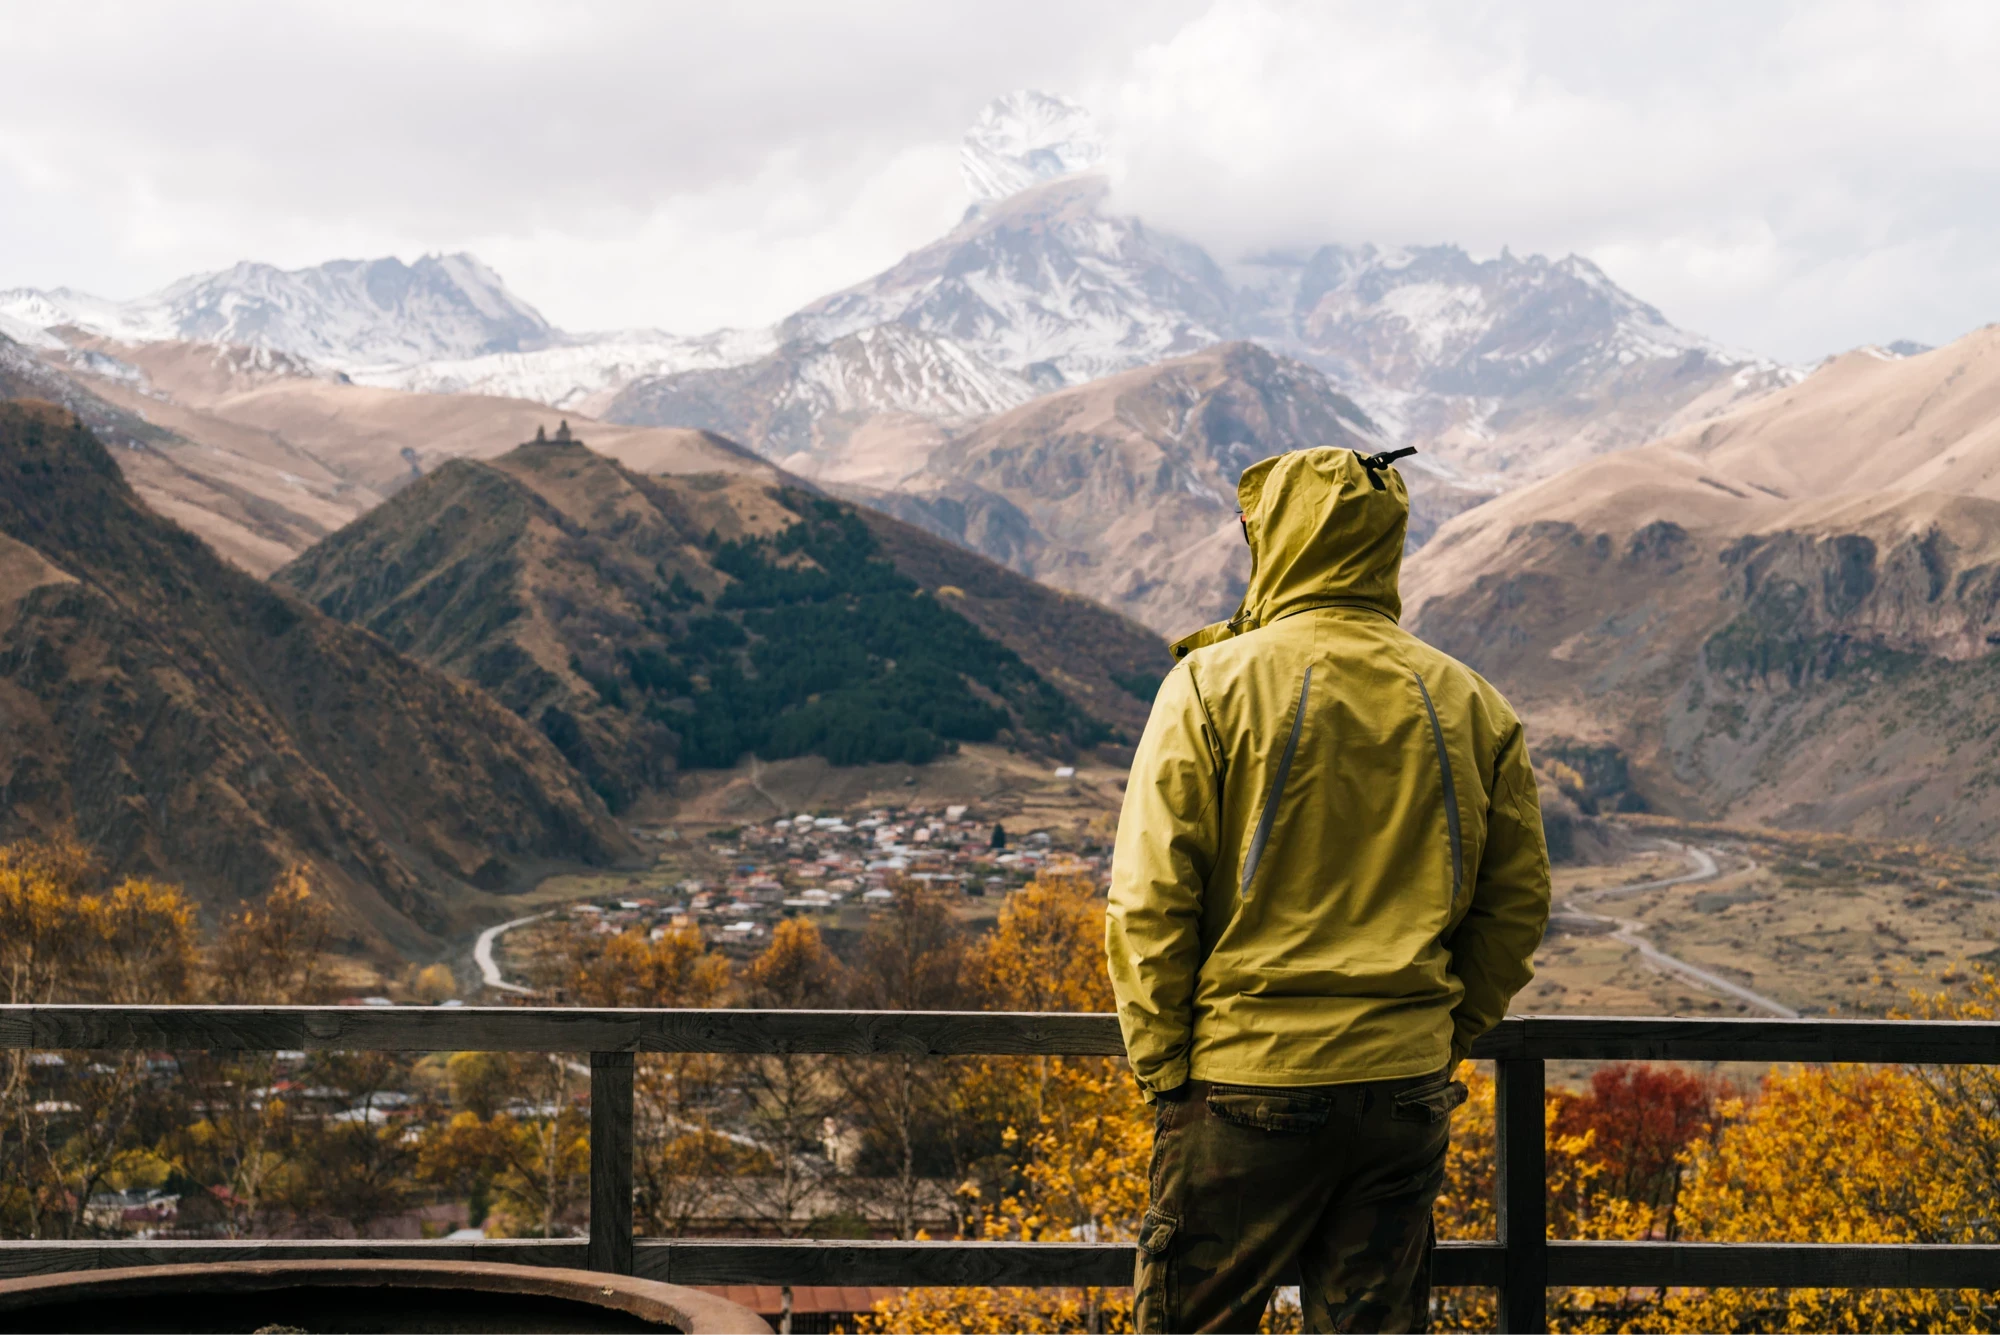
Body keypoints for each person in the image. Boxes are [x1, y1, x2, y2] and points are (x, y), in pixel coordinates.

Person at [1105, 446, 1551, 1335]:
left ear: (1274, 539)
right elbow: (1514, 909)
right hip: (1402, 1090)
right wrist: (1439, 1031)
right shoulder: (1473, 703)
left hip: (1241, 1081)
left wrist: (1165, 1068)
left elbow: (1150, 899)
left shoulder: (1210, 685)